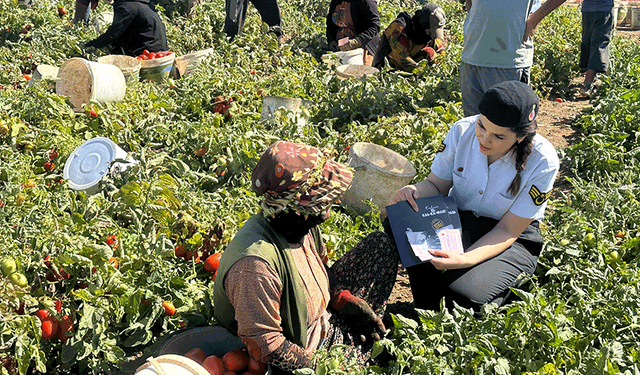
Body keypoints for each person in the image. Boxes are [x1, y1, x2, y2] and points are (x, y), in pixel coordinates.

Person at [213, 141, 398, 373]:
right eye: (322, 205)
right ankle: (354, 351)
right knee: (357, 362)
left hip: (323, 316)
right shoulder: (254, 267)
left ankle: (354, 337)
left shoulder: (300, 226)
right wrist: (326, 368)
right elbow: (267, 348)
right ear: (298, 209)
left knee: (379, 246)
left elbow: (321, 268)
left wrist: (344, 299)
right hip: (303, 349)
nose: (327, 214)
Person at [391, 81, 559, 313]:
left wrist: (465, 260)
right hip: (460, 222)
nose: (484, 139)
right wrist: (415, 191)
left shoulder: (543, 161)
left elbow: (508, 231)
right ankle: (426, 303)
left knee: (463, 296)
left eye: (498, 137)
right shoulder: (462, 131)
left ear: (520, 137)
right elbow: (436, 185)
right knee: (400, 218)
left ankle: (506, 292)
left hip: (509, 238)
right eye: (481, 126)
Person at [460, 0, 566, 116]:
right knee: (472, 125)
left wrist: (534, 20)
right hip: (472, 55)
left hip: (508, 61)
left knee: (506, 124)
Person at [372, 3, 447, 72]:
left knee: (430, 52)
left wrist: (438, 63)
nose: (432, 35)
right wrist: (424, 72)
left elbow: (441, 53)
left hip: (413, 70)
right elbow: (403, 60)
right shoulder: (399, 28)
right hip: (389, 72)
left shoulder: (429, 34)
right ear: (423, 24)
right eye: (430, 31)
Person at [79, 0, 168, 56]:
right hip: (159, 47)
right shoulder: (139, 3)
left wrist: (89, 45)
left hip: (148, 52)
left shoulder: (126, 6)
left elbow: (113, 34)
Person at [326, 0, 381, 66]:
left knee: (358, 72)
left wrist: (357, 41)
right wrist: (332, 41)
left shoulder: (366, 1)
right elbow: (330, 25)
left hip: (364, 46)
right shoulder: (336, 1)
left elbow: (374, 26)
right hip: (341, 47)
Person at [578, 0, 614, 97]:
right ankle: (588, 83)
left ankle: (591, 76)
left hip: (588, 10)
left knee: (588, 41)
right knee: (599, 42)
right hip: (603, 9)